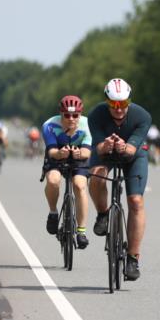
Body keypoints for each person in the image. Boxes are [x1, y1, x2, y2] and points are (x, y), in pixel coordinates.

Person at [88, 78, 152, 281]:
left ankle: (133, 258)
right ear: (107, 101)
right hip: (106, 153)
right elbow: (97, 147)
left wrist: (124, 146)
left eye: (123, 103)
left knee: (135, 201)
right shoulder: (96, 115)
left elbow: (132, 149)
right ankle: (102, 214)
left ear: (129, 101)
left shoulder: (142, 116)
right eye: (114, 104)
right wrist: (104, 146)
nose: (118, 108)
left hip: (133, 154)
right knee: (97, 176)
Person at [41, 96, 92, 249]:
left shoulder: (88, 125)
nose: (71, 119)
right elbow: (51, 151)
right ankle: (53, 212)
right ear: (61, 114)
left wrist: (78, 154)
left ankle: (81, 231)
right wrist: (60, 154)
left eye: (75, 115)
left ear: (80, 115)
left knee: (79, 185)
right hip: (57, 154)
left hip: (79, 156)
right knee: (53, 179)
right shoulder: (49, 125)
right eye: (67, 115)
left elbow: (87, 152)